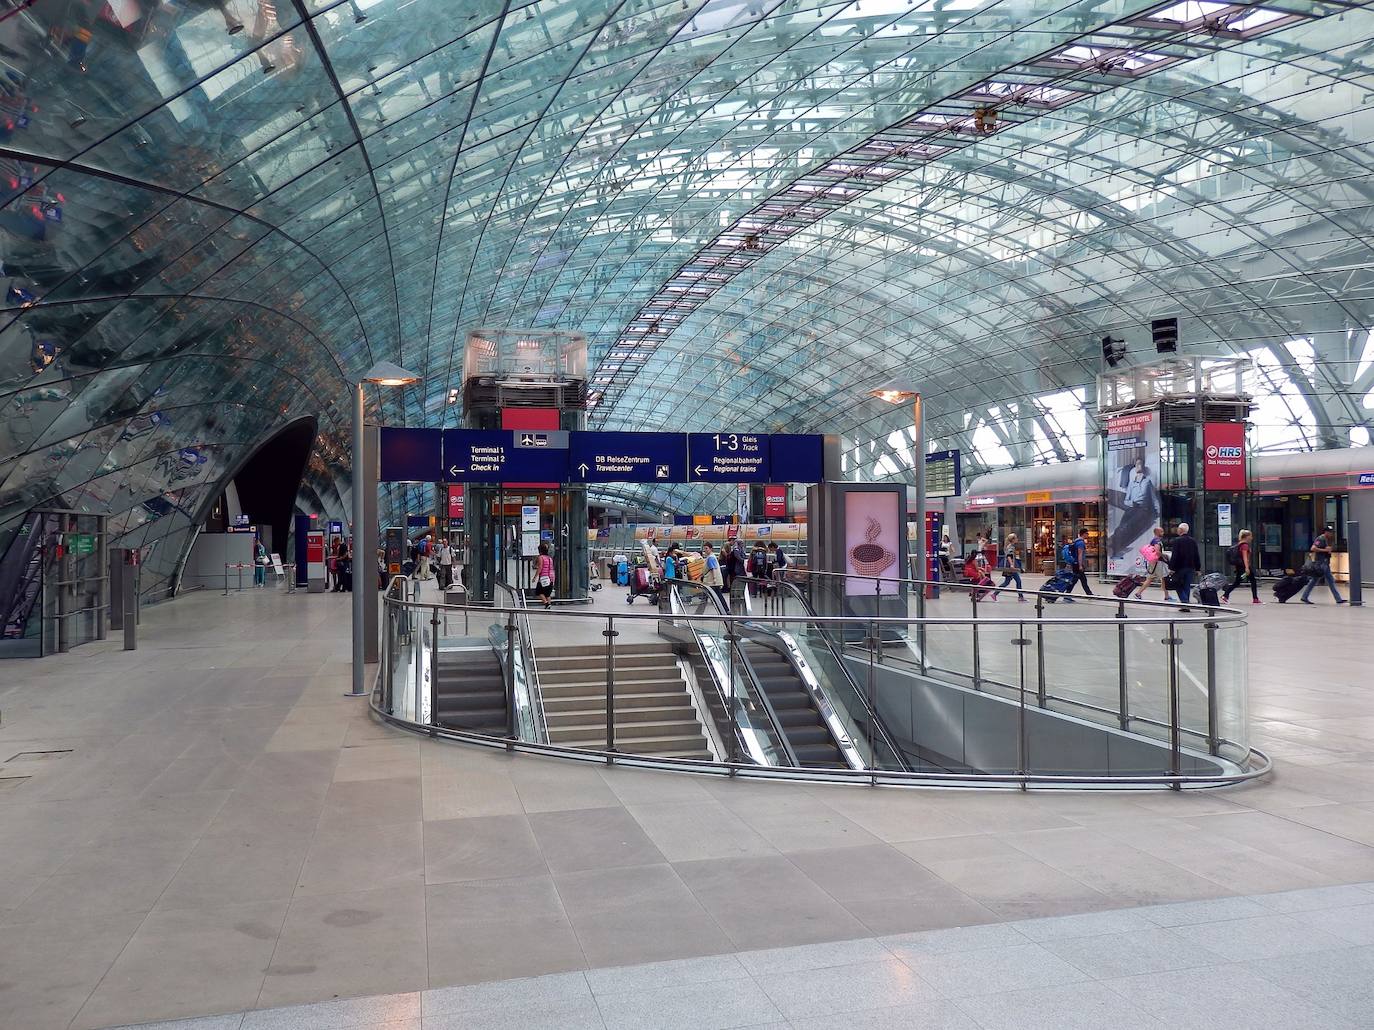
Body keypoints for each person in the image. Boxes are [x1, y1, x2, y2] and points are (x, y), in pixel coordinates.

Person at [1108, 457, 1160, 558]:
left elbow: (1153, 498)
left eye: (1140, 464)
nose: (1138, 466)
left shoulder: (1147, 482)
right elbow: (1126, 500)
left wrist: (1157, 510)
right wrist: (1132, 503)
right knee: (1121, 526)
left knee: (1128, 526)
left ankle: (1115, 546)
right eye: (1137, 464)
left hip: (1143, 509)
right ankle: (1113, 544)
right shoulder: (1131, 484)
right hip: (1132, 507)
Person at [1300, 525, 1347, 605]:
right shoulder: (1320, 538)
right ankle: (1304, 597)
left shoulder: (1326, 539)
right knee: (1319, 580)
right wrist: (1325, 550)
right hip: (1321, 564)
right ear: (1326, 532)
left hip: (1325, 563)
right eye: (1330, 532)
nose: (1331, 534)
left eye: (1332, 532)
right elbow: (1313, 548)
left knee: (1327, 580)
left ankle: (1338, 599)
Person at [1168, 522, 1202, 610]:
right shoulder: (1193, 541)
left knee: (1177, 585)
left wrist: (1171, 568)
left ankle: (1185, 602)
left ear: (1181, 530)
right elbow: (1196, 555)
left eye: (1178, 528)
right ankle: (1185, 605)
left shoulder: (1177, 541)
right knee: (1186, 586)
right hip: (1190, 566)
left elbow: (1175, 555)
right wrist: (1198, 568)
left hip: (1180, 567)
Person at [1222, 529, 1260, 605]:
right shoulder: (1244, 545)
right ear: (1246, 537)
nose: (1251, 538)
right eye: (1250, 536)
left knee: (1240, 582)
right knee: (1249, 581)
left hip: (1240, 567)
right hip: (1244, 568)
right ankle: (1225, 595)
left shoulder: (1239, 544)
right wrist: (1247, 568)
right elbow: (1245, 557)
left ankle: (1226, 595)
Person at [1133, 526, 1170, 601]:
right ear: (1157, 532)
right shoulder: (1157, 541)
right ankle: (1167, 596)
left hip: (1153, 563)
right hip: (1158, 563)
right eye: (1161, 531)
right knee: (1163, 578)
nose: (1163, 533)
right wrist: (1165, 555)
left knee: (1151, 578)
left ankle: (1138, 593)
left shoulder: (1154, 540)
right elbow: (1157, 552)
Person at [996, 532, 1025, 600]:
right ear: (1013, 539)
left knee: (1007, 582)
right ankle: (1020, 597)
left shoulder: (1010, 546)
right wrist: (1012, 565)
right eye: (1016, 538)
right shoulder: (1010, 547)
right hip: (1010, 566)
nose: (1017, 539)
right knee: (1018, 581)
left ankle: (995, 594)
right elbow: (1009, 556)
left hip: (1010, 565)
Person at [1065, 528, 1092, 596]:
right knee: (1077, 580)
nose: (1088, 535)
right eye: (1087, 533)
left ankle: (1089, 594)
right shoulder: (1081, 543)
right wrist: (1080, 565)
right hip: (1077, 564)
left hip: (1075, 563)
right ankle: (1067, 594)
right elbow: (1080, 554)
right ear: (1083, 534)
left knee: (1080, 580)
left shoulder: (1076, 541)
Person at [534, 540, 555, 609]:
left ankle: (546, 603)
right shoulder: (549, 558)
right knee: (547, 593)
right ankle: (549, 604)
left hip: (544, 577)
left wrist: (535, 577)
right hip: (551, 576)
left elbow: (540, 568)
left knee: (539, 591)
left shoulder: (541, 557)